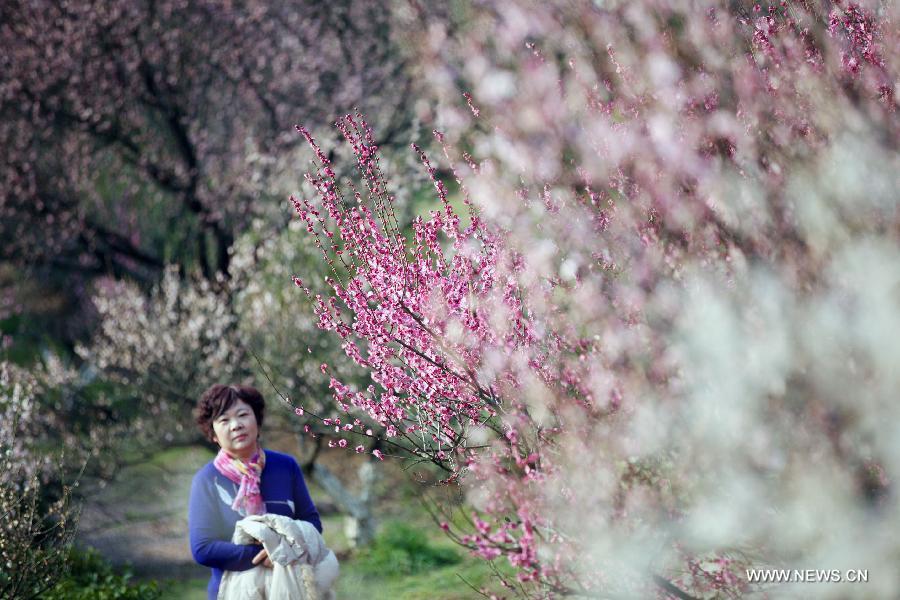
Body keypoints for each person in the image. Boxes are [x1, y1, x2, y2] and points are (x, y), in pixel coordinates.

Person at [188, 384, 322, 600]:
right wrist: (267, 554)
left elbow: (312, 524)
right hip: (232, 592)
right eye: (224, 420)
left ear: (257, 421)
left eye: (243, 415)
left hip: (290, 588)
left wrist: (285, 551)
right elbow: (203, 548)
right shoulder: (207, 480)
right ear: (213, 434)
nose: (236, 425)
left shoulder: (285, 466)